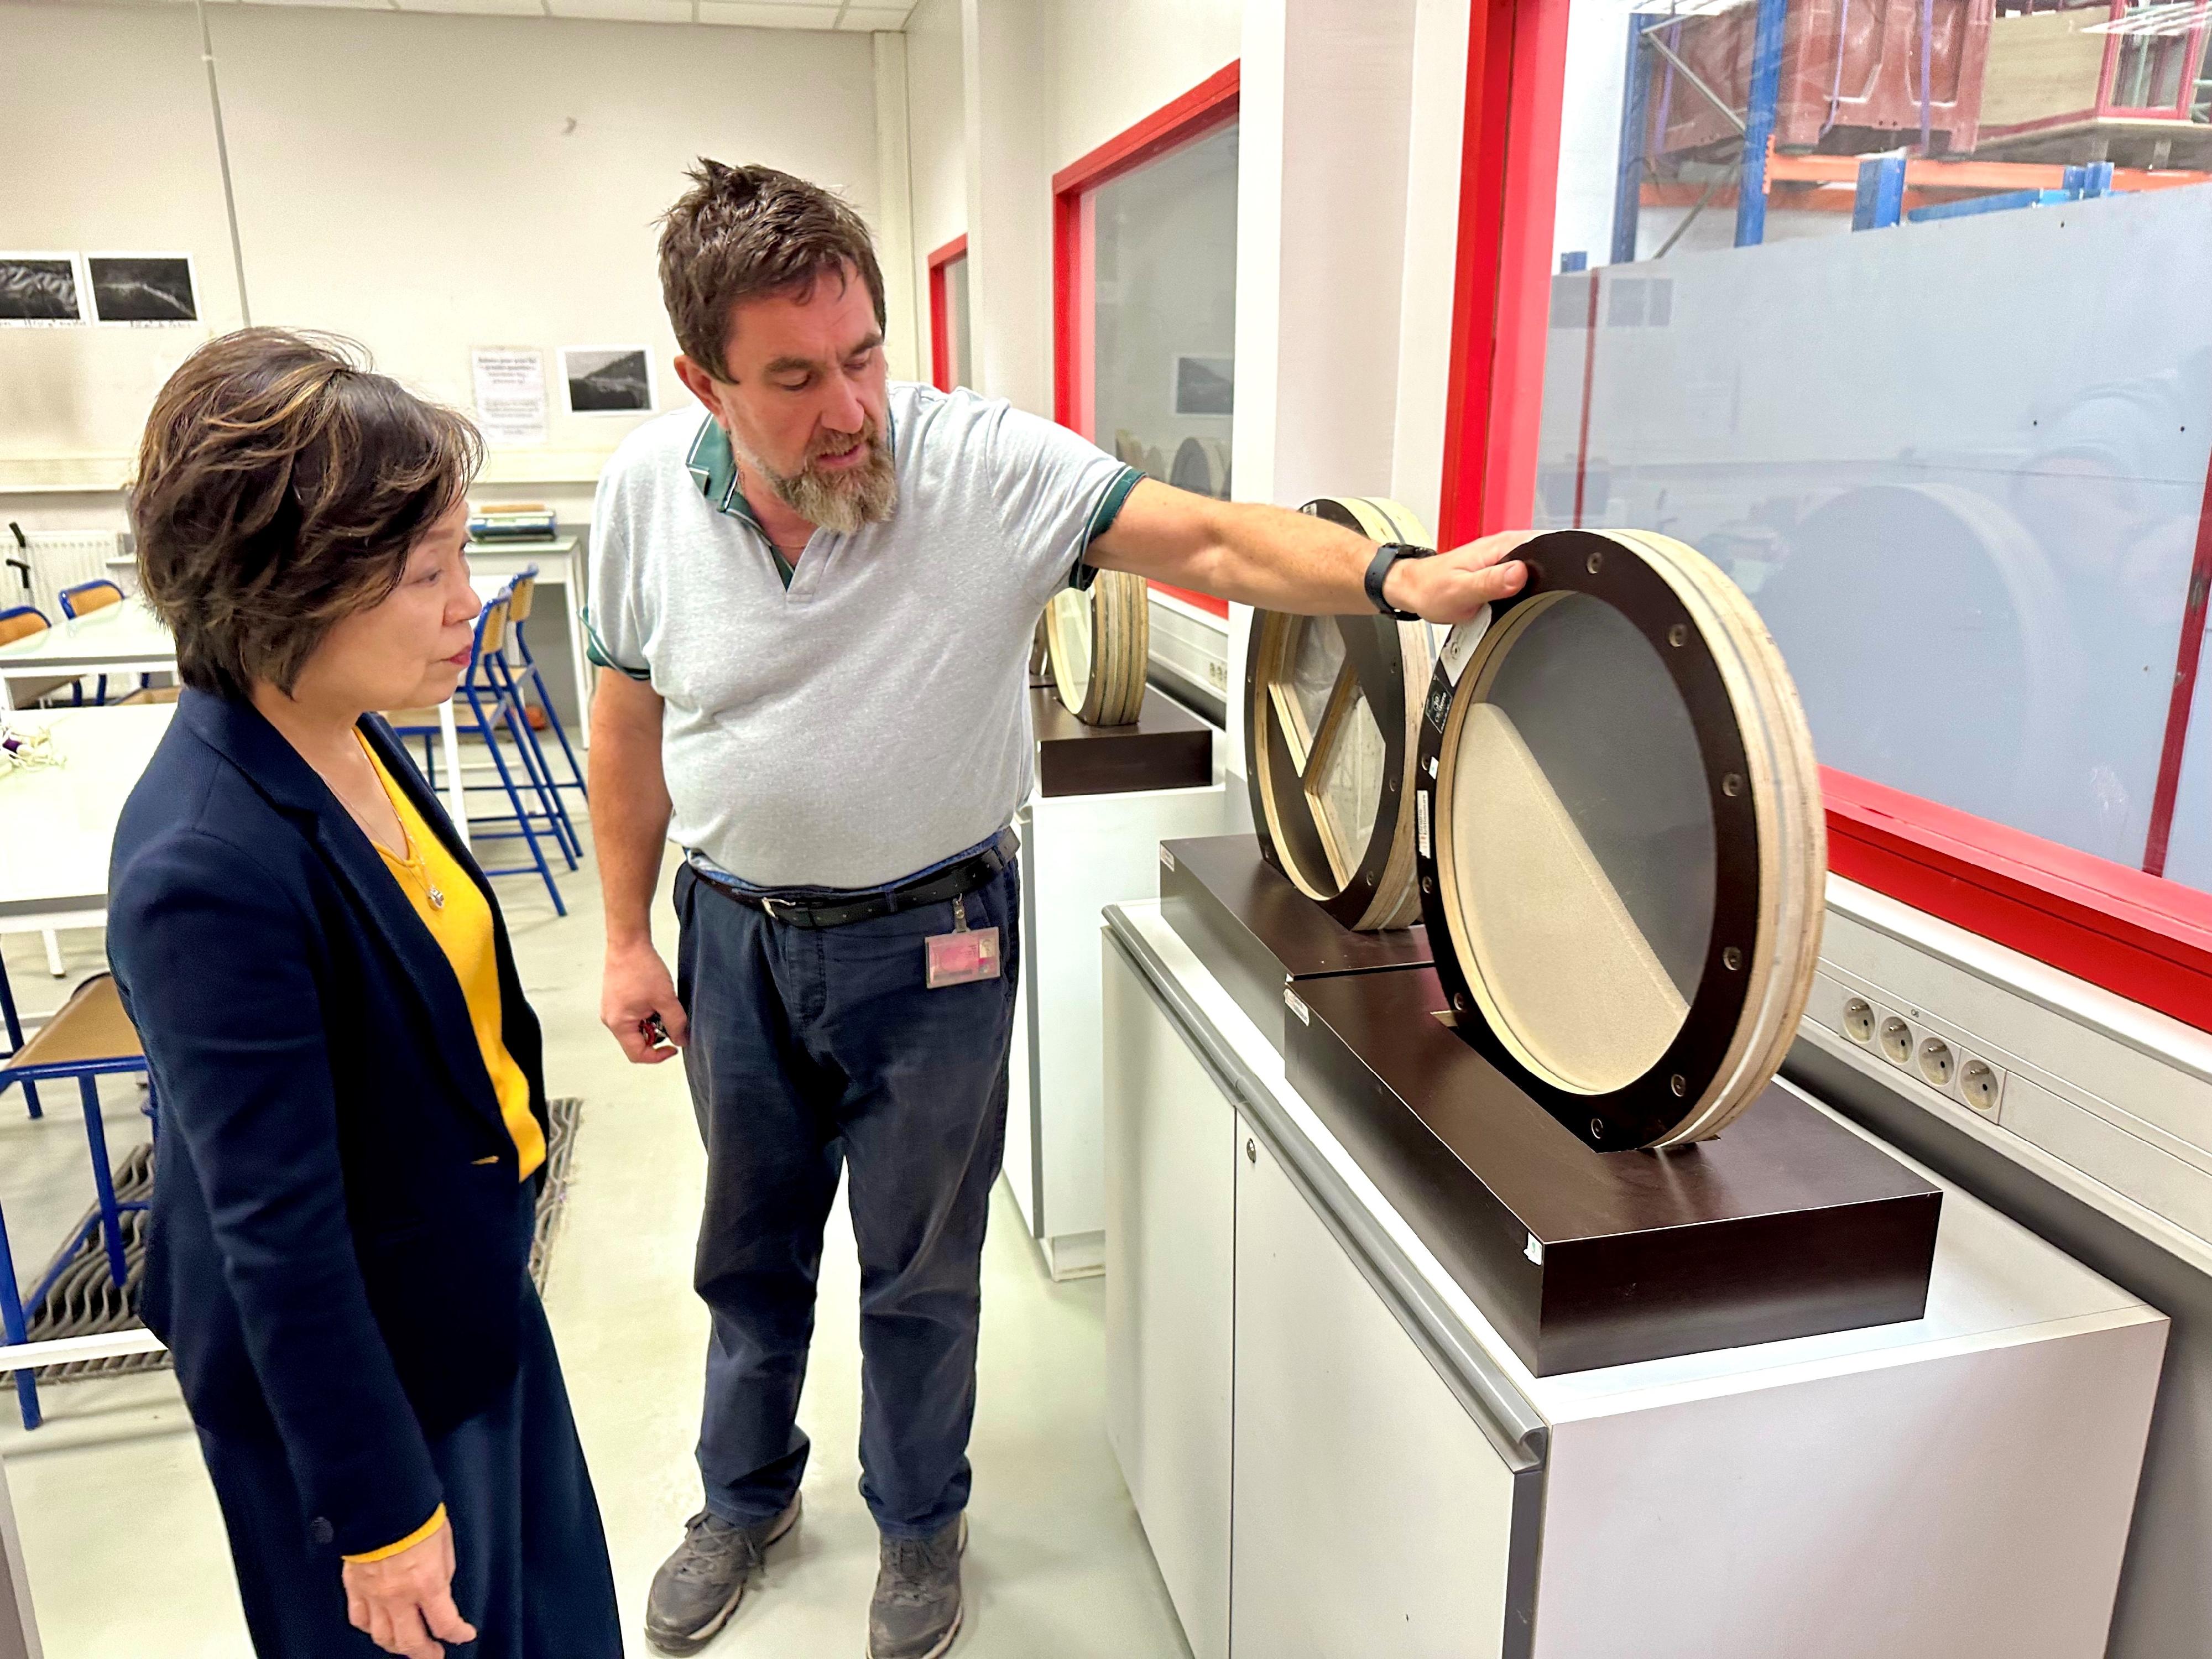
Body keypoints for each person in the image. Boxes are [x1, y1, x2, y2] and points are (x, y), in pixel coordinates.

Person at [588, 161, 1527, 1659]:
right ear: (705, 383)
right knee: (750, 1253)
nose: (852, 410)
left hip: (936, 945)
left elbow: (1211, 540)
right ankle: (742, 1498)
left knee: (919, 1266)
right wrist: (629, 933)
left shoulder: (980, 466)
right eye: (794, 379)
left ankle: (917, 1526)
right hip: (735, 937)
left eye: (866, 356)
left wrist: (1391, 576)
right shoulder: (641, 496)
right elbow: (628, 721)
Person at [107, 328, 623, 1659]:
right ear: (282, 589)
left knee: (548, 1616)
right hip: (356, 1382)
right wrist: (381, 1514)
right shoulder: (203, 868)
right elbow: (276, 1229)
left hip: (461, 1285)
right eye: (426, 574)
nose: (470, 602)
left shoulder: (346, 734)